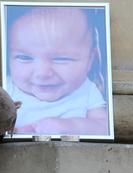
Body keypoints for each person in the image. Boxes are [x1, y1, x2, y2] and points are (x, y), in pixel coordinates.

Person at [6, 7, 109, 135]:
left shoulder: (86, 90)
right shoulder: (7, 89)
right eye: (24, 57)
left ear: (90, 61)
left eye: (61, 59)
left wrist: (70, 126)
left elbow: (104, 127)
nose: (42, 73)